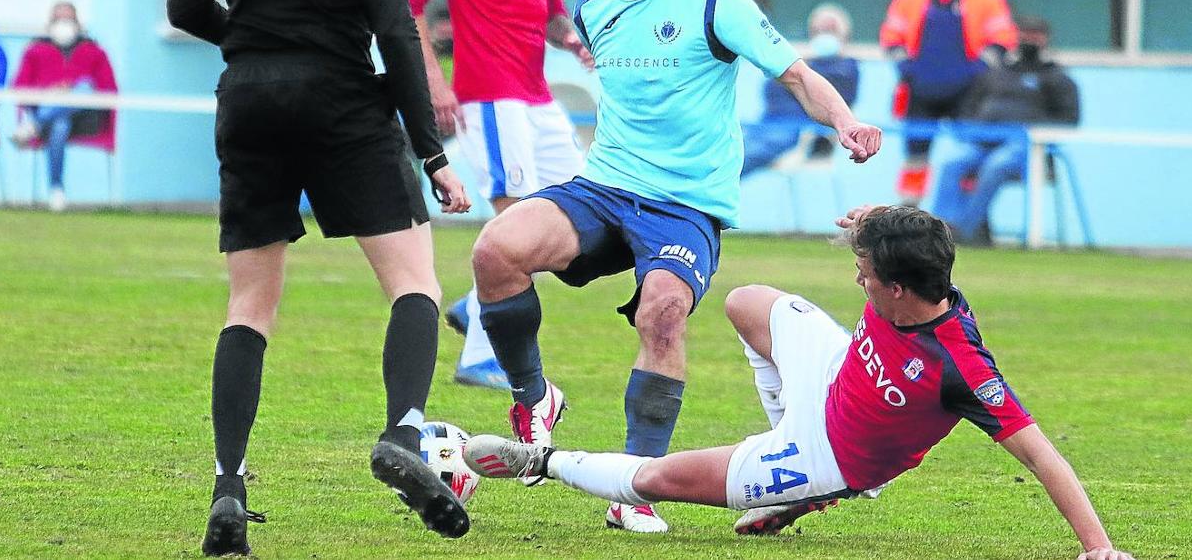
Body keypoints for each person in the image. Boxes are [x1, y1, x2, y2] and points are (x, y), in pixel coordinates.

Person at [469, 0, 881, 533]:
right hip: (602, 187)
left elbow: (798, 75)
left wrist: (844, 122)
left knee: (661, 313)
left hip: (683, 207)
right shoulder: (596, 10)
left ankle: (634, 488)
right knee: (495, 249)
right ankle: (534, 397)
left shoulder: (718, 4)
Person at [463, 205, 1135, 560]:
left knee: (658, 480)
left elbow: (1042, 453)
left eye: (866, 274)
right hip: (835, 375)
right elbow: (913, 225)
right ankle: (781, 439)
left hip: (835, 455)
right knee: (745, 301)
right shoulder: (917, 266)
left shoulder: (961, 368)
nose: (858, 280)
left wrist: (1098, 548)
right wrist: (877, 220)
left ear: (898, 290)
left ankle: (539, 459)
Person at [166, 0, 472, 553]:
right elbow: (395, 28)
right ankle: (403, 429)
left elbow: (182, 4)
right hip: (340, 100)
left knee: (249, 305)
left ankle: (228, 484)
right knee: (413, 283)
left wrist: (258, 44)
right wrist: (430, 149)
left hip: (249, 99)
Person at [407, 0, 593, 392]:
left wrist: (571, 38)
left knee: (582, 216)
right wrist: (437, 82)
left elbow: (551, 7)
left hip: (537, 97)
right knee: (513, 220)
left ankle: (471, 304)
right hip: (488, 96)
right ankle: (480, 357)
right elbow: (409, 3)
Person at [880, 0, 1017, 207]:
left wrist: (978, 70)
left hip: (967, 89)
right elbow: (892, 35)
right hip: (920, 89)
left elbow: (1003, 38)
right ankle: (908, 212)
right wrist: (907, 68)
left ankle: (967, 217)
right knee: (915, 154)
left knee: (970, 151)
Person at [931, 16, 1080, 245]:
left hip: (1026, 148)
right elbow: (969, 109)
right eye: (1024, 34)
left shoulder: (1057, 78)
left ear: (1046, 40)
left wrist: (1033, 131)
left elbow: (1069, 119)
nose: (1028, 40)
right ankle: (938, 231)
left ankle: (963, 232)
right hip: (983, 143)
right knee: (953, 161)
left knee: (996, 165)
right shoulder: (995, 73)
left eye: (1035, 36)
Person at [10, 1, 118, 212]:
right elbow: (20, 88)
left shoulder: (94, 51)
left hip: (87, 119)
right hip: (52, 120)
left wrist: (72, 92)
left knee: (85, 86)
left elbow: (110, 90)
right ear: (49, 24)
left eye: (68, 19)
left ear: (77, 24)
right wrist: (49, 93)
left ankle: (33, 125)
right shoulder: (35, 51)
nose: (63, 24)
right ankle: (56, 190)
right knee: (60, 125)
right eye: (58, 19)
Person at [741, 2, 860, 176]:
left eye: (830, 30)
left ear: (843, 35)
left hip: (795, 131)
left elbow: (834, 96)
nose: (824, 35)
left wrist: (802, 68)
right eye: (820, 30)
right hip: (767, 124)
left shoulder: (846, 69)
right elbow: (773, 89)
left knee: (739, 160)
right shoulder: (799, 62)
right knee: (727, 149)